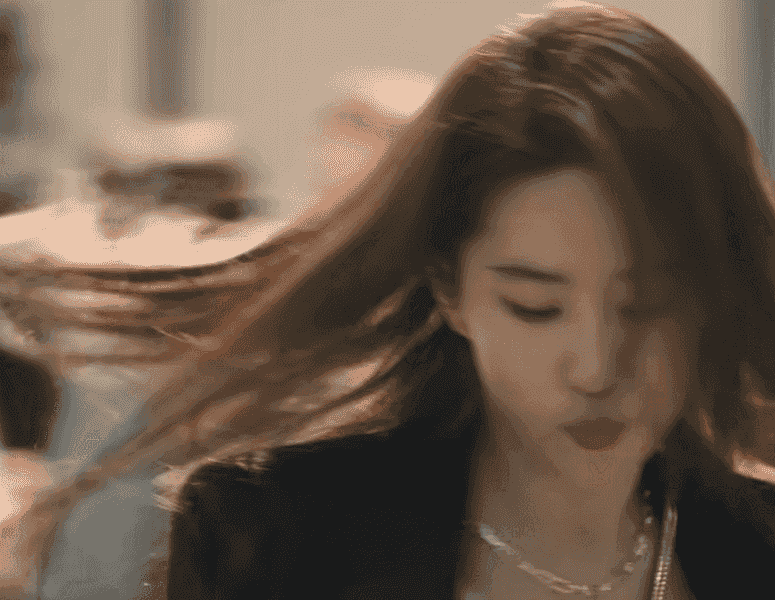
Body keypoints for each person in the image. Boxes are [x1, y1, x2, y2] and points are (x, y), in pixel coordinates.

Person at [158, 2, 775, 599]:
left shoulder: (756, 550)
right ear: (450, 288)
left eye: (646, 304)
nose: (595, 367)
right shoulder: (272, 543)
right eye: (534, 306)